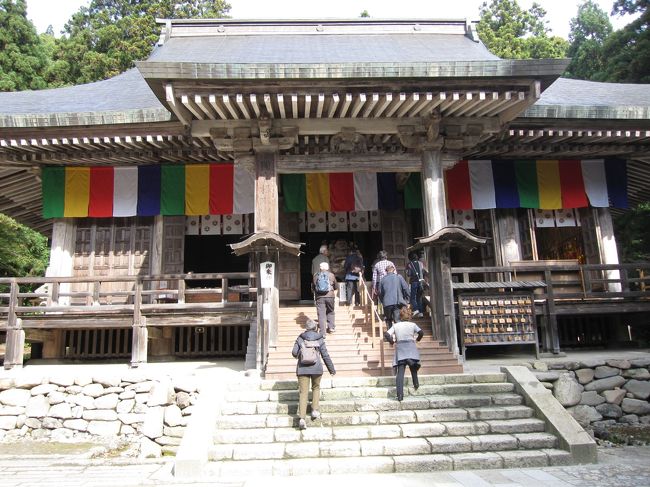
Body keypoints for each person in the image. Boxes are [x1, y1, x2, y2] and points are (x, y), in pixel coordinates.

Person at [292, 319, 336, 429]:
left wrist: (299, 354)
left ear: (306, 328)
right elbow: (325, 355)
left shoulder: (300, 338)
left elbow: (294, 352)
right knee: (316, 388)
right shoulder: (319, 339)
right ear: (315, 328)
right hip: (316, 368)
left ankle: (302, 418)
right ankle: (314, 410)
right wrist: (332, 369)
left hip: (302, 369)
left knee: (303, 392)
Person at [384, 306, 423, 401]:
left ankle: (400, 395)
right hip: (411, 347)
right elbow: (421, 332)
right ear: (409, 316)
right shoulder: (413, 325)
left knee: (400, 373)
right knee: (413, 368)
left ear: (400, 316)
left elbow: (387, 334)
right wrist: (417, 339)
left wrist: (392, 342)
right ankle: (416, 384)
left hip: (401, 348)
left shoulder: (396, 325)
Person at [378, 263, 410, 328]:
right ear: (394, 270)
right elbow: (406, 288)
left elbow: (380, 293)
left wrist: (383, 301)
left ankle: (389, 336)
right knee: (397, 320)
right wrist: (407, 300)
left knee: (388, 320)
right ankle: (399, 336)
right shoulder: (399, 277)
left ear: (386, 271)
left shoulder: (382, 280)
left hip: (387, 303)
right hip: (397, 302)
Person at [312, 261, 338, 334]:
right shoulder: (331, 275)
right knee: (331, 311)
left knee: (321, 314)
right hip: (330, 296)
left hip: (320, 297)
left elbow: (313, 287)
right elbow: (336, 286)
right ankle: (331, 328)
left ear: (320, 268)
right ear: (327, 268)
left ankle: (323, 332)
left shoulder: (316, 275)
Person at [406, 252, 428, 318]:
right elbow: (423, 271)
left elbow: (409, 274)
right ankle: (421, 312)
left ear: (410, 258)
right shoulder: (420, 263)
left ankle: (415, 309)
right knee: (419, 297)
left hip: (413, 282)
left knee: (412, 297)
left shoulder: (409, 264)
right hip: (420, 282)